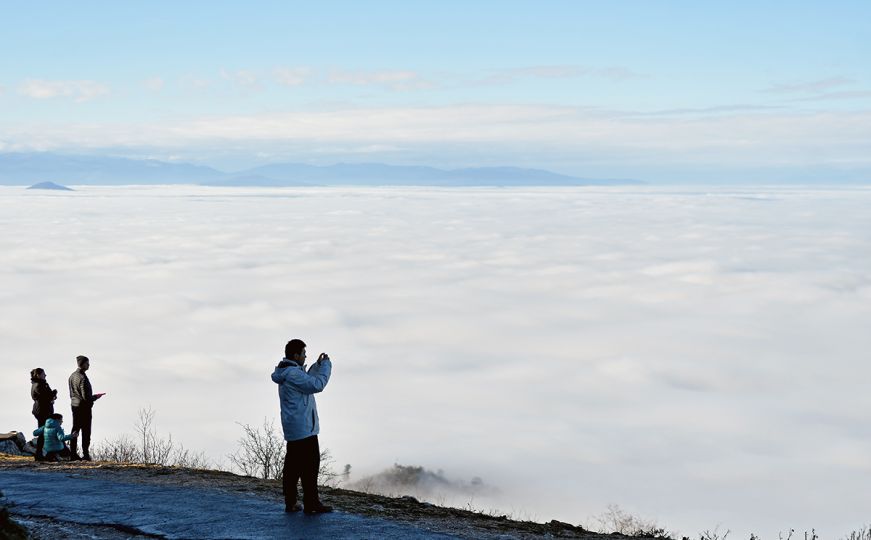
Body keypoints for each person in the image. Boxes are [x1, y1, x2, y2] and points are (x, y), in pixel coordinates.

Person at [271, 339, 333, 514]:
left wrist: (317, 364)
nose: (305, 356)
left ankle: (291, 502)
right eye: (304, 354)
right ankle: (311, 504)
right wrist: (327, 366)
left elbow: (306, 378)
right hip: (304, 429)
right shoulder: (293, 374)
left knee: (292, 468)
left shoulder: (287, 372)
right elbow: (316, 384)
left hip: (294, 429)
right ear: (296, 355)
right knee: (310, 468)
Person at [68, 355, 101, 461]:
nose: (89, 365)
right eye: (87, 363)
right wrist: (95, 397)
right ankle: (85, 454)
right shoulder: (82, 377)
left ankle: (73, 454)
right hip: (84, 408)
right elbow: (85, 397)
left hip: (74, 405)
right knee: (86, 431)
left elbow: (71, 393)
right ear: (82, 364)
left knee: (75, 429)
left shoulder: (72, 376)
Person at [30, 368, 57, 461]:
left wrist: (52, 396)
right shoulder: (38, 385)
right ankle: (41, 454)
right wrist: (53, 393)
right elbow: (45, 397)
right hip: (42, 411)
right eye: (43, 374)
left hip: (44, 411)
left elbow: (48, 396)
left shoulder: (41, 384)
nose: (45, 375)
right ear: (38, 375)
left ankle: (41, 454)